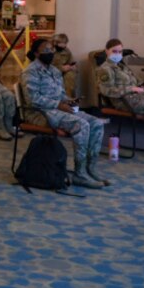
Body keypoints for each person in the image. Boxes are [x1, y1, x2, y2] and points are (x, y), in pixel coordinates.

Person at [22, 38, 108, 188]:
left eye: (51, 50)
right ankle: (79, 174)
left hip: (58, 109)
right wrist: (58, 105)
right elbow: (32, 99)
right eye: (46, 51)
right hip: (40, 112)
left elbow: (61, 94)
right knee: (81, 125)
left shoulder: (54, 71)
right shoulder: (31, 72)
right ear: (36, 53)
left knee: (96, 123)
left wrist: (69, 101)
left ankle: (90, 169)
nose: (50, 53)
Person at [51, 33, 78, 98]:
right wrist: (61, 68)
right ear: (56, 43)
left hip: (64, 73)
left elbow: (71, 62)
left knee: (70, 75)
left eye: (65, 43)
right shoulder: (50, 51)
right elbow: (46, 66)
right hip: (51, 73)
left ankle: (68, 99)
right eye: (63, 43)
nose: (65, 45)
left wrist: (72, 67)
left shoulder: (66, 51)